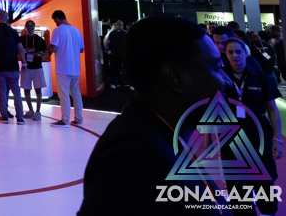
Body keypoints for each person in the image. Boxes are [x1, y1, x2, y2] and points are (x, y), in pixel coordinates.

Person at [78, 15, 227, 214]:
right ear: (174, 77)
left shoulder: (159, 134)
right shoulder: (131, 158)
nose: (226, 82)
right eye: (216, 68)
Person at [222, 37, 282, 215]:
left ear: (246, 53)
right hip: (230, 136)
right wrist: (209, 137)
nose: (235, 55)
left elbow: (272, 109)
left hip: (259, 134)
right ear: (226, 55)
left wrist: (277, 139)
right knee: (236, 182)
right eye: (230, 52)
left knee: (263, 178)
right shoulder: (220, 78)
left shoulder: (260, 76)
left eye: (238, 52)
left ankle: (267, 211)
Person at [0, 11, 25, 125]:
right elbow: (20, 48)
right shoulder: (13, 31)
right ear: (7, 19)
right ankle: (20, 118)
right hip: (13, 66)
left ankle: (4, 117)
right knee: (16, 92)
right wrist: (24, 63)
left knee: (1, 91)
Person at [48, 9, 85, 127]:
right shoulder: (77, 31)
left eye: (55, 20)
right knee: (76, 94)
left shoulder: (58, 30)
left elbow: (53, 48)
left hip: (63, 68)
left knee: (64, 95)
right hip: (75, 68)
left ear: (57, 19)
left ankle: (65, 120)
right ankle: (79, 119)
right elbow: (81, 49)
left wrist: (48, 47)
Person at [20, 20, 48, 121]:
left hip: (37, 68)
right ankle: (31, 110)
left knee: (38, 90)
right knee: (26, 90)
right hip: (26, 67)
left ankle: (38, 112)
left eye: (32, 28)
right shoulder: (21, 39)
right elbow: (17, 52)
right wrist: (25, 51)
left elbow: (45, 54)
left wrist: (38, 54)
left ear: (34, 28)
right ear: (25, 28)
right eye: (28, 28)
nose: (30, 29)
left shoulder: (39, 40)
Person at [105, 20, 128, 87]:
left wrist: (109, 50)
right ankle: (131, 85)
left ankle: (113, 84)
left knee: (113, 68)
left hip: (114, 54)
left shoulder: (112, 33)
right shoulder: (126, 33)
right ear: (122, 25)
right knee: (126, 68)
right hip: (123, 54)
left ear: (116, 25)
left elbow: (108, 43)